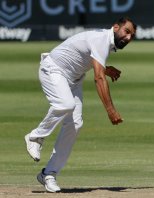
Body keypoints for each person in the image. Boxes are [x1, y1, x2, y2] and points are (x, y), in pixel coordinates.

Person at [24, 16, 137, 193]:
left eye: (132, 36)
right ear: (116, 27)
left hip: (73, 79)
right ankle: (35, 137)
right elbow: (98, 78)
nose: (129, 38)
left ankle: (49, 174)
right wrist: (110, 110)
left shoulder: (105, 42)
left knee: (75, 124)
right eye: (127, 32)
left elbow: (85, 58)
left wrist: (106, 69)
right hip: (53, 69)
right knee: (66, 104)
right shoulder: (101, 39)